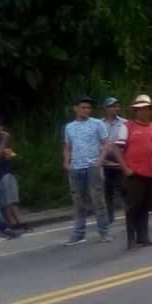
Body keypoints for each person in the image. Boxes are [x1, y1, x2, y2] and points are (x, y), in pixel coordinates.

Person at [116, 94, 152, 249]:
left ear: (150, 110)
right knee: (133, 207)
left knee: (146, 205)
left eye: (146, 109)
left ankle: (143, 237)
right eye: (140, 109)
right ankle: (131, 240)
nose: (143, 112)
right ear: (136, 111)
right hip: (134, 173)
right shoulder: (128, 127)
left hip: (151, 171)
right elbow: (118, 149)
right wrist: (125, 168)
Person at [62, 95, 112, 245]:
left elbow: (105, 143)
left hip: (92, 166)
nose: (86, 110)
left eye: (89, 108)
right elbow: (67, 146)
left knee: (98, 200)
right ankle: (78, 233)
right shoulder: (69, 127)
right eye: (83, 107)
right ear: (76, 108)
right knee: (78, 202)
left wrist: (101, 159)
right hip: (76, 167)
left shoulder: (97, 124)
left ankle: (104, 232)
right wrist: (66, 162)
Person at [0, 122, 28, 232]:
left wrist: (9, 152)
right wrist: (4, 141)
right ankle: (11, 222)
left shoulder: (1, 138)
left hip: (8, 170)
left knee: (13, 199)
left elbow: (10, 153)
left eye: (1, 126)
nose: (0, 129)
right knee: (5, 200)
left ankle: (19, 221)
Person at [100, 97, 128, 225]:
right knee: (107, 190)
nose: (115, 109)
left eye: (117, 106)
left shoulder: (124, 123)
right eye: (112, 106)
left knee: (124, 188)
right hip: (104, 161)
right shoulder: (99, 124)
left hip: (120, 161)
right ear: (106, 108)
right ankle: (109, 217)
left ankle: (130, 214)